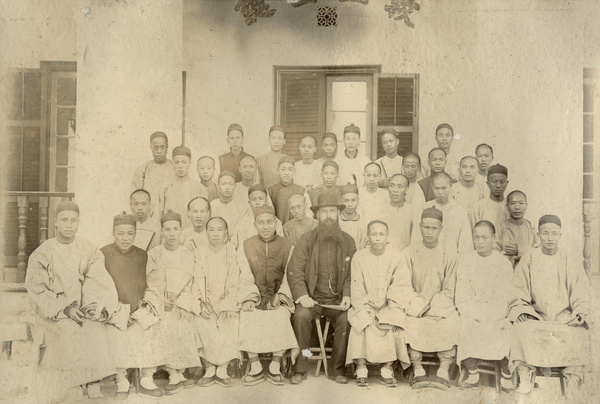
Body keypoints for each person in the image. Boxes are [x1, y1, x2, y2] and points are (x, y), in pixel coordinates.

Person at [25, 201, 121, 400]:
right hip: (54, 313)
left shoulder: (89, 250)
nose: (69, 225)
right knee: (66, 332)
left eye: (73, 221)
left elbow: (97, 281)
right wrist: (64, 309)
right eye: (64, 220)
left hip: (82, 308)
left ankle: (92, 381)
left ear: (79, 223)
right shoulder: (42, 253)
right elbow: (37, 290)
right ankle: (71, 383)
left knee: (95, 330)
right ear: (55, 222)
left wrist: (92, 307)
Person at [508, 215, 590, 397]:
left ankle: (572, 377)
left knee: (579, 332)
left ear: (560, 235)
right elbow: (518, 289)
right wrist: (523, 310)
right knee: (520, 329)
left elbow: (581, 293)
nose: (550, 238)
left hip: (563, 318)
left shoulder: (570, 260)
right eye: (545, 233)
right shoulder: (529, 259)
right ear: (538, 235)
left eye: (554, 234)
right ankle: (525, 374)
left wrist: (579, 313)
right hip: (536, 317)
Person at [287, 192, 356, 385]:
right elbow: (295, 271)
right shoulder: (305, 239)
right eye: (324, 211)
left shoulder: (348, 241)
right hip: (312, 300)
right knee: (300, 317)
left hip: (337, 301)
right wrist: (302, 296)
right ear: (317, 215)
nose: (328, 216)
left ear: (338, 214)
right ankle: (301, 368)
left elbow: (352, 274)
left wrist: (348, 296)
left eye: (332, 211)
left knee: (348, 318)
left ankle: (337, 369)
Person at [102, 213, 167, 397]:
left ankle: (147, 378)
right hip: (115, 310)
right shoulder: (103, 254)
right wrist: (118, 312)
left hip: (139, 309)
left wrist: (145, 307)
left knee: (151, 328)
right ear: (113, 233)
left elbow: (153, 284)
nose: (125, 238)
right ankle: (121, 380)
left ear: (135, 234)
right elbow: (100, 287)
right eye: (120, 233)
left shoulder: (143, 255)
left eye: (130, 233)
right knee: (115, 334)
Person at [143, 210, 203, 395]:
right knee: (161, 321)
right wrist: (162, 301)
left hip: (182, 304)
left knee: (180, 319)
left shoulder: (187, 254)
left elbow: (192, 282)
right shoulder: (154, 254)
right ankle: (171, 373)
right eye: (167, 229)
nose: (171, 234)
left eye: (175, 229)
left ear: (181, 231)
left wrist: (183, 304)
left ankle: (177, 372)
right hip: (159, 301)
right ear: (161, 231)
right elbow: (150, 282)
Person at [239, 206, 300, 386]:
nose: (265, 227)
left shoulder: (288, 246)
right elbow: (244, 275)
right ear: (254, 224)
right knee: (248, 314)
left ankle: (275, 364)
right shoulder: (245, 245)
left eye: (269, 222)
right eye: (261, 223)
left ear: (276, 223)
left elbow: (290, 276)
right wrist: (250, 297)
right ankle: (255, 365)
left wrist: (281, 296)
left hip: (277, 297)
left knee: (281, 315)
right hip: (255, 297)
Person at [346, 220, 411, 387]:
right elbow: (357, 285)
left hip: (389, 305)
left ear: (387, 237)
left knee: (390, 323)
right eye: (373, 234)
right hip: (365, 305)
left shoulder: (396, 257)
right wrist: (366, 306)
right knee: (361, 323)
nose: (377, 238)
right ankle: (361, 367)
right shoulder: (359, 256)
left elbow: (400, 285)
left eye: (381, 234)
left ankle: (387, 368)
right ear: (368, 236)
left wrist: (388, 306)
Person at [402, 207, 460, 390]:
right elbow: (404, 286)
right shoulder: (409, 252)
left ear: (441, 228)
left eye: (434, 228)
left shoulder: (449, 253)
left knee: (452, 322)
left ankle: (443, 368)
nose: (430, 232)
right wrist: (420, 306)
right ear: (420, 227)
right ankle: (417, 367)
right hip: (416, 306)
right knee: (410, 322)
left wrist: (435, 307)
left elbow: (450, 286)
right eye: (426, 227)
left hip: (441, 306)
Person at [194, 217, 255, 387]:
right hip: (206, 303)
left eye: (220, 230)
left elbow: (235, 282)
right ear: (206, 233)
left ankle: (222, 367)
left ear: (226, 233)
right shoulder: (198, 253)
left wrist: (226, 304)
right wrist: (201, 303)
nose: (215, 234)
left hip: (226, 301)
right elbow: (195, 281)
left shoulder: (232, 253)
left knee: (230, 320)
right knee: (202, 321)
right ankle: (209, 368)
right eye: (211, 230)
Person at [455, 221, 512, 389]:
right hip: (472, 310)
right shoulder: (466, 260)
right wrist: (477, 314)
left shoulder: (504, 263)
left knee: (505, 327)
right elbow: (462, 294)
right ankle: (473, 372)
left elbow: (505, 295)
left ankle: (505, 374)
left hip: (496, 312)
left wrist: (491, 315)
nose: (479, 242)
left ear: (493, 238)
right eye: (476, 237)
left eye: (484, 238)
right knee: (465, 325)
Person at [414, 173, 473, 254]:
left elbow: (466, 245)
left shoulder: (460, 211)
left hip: (452, 260)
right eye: (437, 188)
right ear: (432, 187)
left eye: (444, 188)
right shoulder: (424, 208)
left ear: (451, 186)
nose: (440, 192)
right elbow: (416, 238)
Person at [131, 131, 176, 218]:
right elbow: (134, 198)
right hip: (149, 219)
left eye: (162, 147)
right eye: (156, 148)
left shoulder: (174, 168)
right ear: (150, 147)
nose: (159, 151)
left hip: (171, 220)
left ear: (167, 147)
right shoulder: (142, 170)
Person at [163, 146, 207, 227]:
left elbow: (205, 217)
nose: (180, 166)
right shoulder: (166, 188)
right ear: (172, 163)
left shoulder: (200, 188)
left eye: (184, 162)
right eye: (177, 162)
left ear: (190, 163)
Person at [232, 184, 284, 248]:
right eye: (254, 199)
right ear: (249, 203)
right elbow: (235, 247)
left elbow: (280, 246)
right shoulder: (242, 224)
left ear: (266, 201)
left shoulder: (276, 223)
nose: (257, 202)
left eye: (261, 198)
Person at [497, 190, 540, 266]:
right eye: (513, 203)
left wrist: (520, 250)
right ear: (507, 206)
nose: (517, 207)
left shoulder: (531, 227)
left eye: (521, 203)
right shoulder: (500, 227)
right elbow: (493, 252)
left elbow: (539, 251)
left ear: (526, 206)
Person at [268, 155, 312, 225]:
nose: (286, 173)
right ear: (278, 170)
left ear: (294, 171)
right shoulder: (271, 191)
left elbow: (308, 213)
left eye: (290, 169)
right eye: (283, 169)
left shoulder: (301, 190)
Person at [376, 174, 413, 251]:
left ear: (407, 190)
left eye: (400, 186)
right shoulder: (380, 210)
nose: (395, 190)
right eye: (392, 186)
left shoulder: (411, 210)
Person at [473, 163, 509, 234]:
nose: (498, 185)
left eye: (502, 182)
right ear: (488, 183)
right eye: (494, 181)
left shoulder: (510, 207)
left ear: (507, 183)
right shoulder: (478, 207)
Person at [451, 156, 486, 226]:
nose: (468, 171)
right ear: (459, 170)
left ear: (477, 171)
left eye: (472, 167)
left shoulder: (482, 189)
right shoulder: (452, 189)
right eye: (464, 167)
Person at [338, 183, 368, 250]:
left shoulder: (363, 223)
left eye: (353, 200)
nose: (350, 204)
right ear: (340, 201)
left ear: (358, 201)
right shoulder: (337, 222)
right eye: (346, 201)